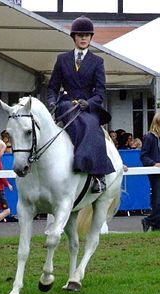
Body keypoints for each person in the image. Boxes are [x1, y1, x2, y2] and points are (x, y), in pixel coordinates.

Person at [47, 16, 114, 193]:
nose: (83, 38)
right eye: (80, 35)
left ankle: (98, 176)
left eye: (86, 35)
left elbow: (100, 92)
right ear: (74, 37)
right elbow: (52, 87)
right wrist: (52, 102)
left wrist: (89, 103)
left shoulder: (97, 62)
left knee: (93, 127)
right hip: (66, 106)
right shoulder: (62, 59)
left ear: (90, 38)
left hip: (87, 107)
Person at [140, 112, 160, 231]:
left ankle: (155, 224)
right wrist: (154, 163)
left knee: (157, 201)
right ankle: (148, 220)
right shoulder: (149, 137)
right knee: (157, 200)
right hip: (155, 172)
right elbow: (143, 156)